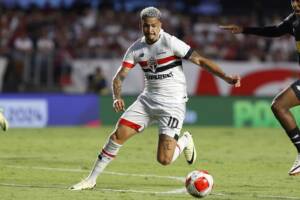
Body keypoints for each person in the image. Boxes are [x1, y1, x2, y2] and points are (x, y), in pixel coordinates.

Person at [70, 7, 240, 190]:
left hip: (173, 105)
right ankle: (91, 179)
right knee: (117, 135)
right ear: (141, 26)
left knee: (164, 160)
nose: (150, 30)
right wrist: (116, 97)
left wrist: (225, 77)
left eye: (153, 26)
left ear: (160, 25)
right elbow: (119, 77)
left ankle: (184, 141)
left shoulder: (171, 42)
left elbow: (201, 61)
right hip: (147, 101)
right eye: (146, 26)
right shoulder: (136, 49)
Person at [220, 0, 300, 176]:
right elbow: (275, 30)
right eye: (294, 0)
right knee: (279, 106)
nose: (296, 4)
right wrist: (244, 30)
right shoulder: (294, 19)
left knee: (279, 106)